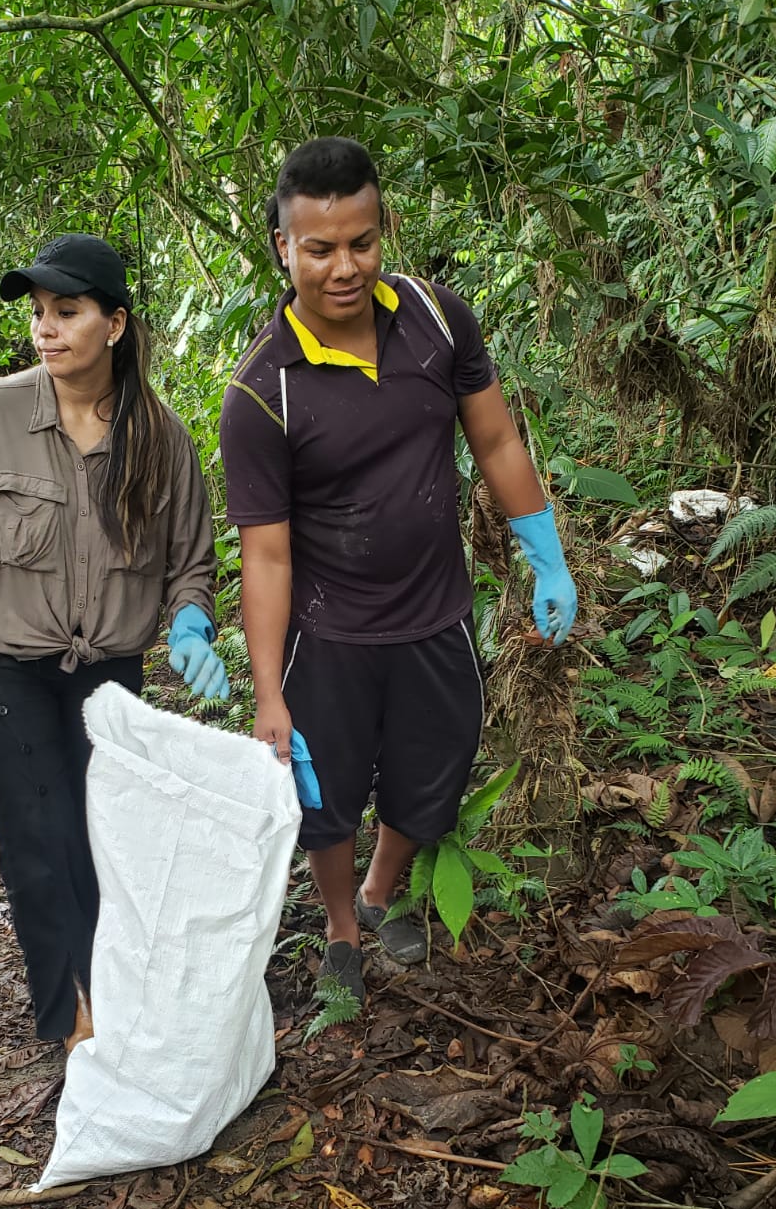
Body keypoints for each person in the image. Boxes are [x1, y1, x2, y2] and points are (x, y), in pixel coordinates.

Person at [219, 138, 576, 1007]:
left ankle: (380, 892)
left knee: (434, 774)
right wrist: (268, 694)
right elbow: (266, 554)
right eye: (320, 249)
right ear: (283, 247)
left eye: (363, 242)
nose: (345, 267)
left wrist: (546, 557)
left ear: (382, 231)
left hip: (437, 612)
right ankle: (342, 926)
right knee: (326, 795)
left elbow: (495, 439)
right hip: (328, 633)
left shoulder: (437, 318)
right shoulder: (263, 391)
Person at [0, 233, 227, 1047]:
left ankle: (112, 988)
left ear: (114, 324)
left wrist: (191, 620)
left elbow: (192, 563)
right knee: (39, 833)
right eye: (39, 312)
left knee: (103, 837)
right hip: (3, 664)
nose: (45, 328)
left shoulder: (161, 439)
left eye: (67, 311)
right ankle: (71, 1019)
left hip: (108, 673)